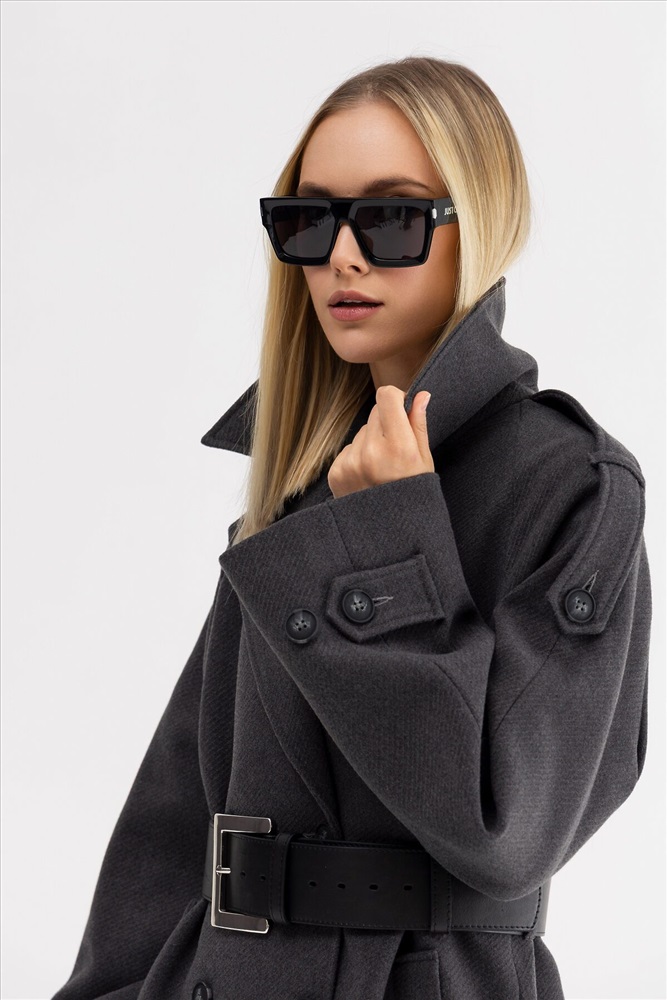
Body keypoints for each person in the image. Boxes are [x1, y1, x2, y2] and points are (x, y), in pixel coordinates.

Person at [51, 55, 652, 1000]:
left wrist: (388, 536)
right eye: (309, 219)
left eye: (391, 217)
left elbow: (507, 832)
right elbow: (179, 814)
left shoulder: (569, 485)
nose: (341, 256)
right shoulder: (302, 480)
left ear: (481, 222)